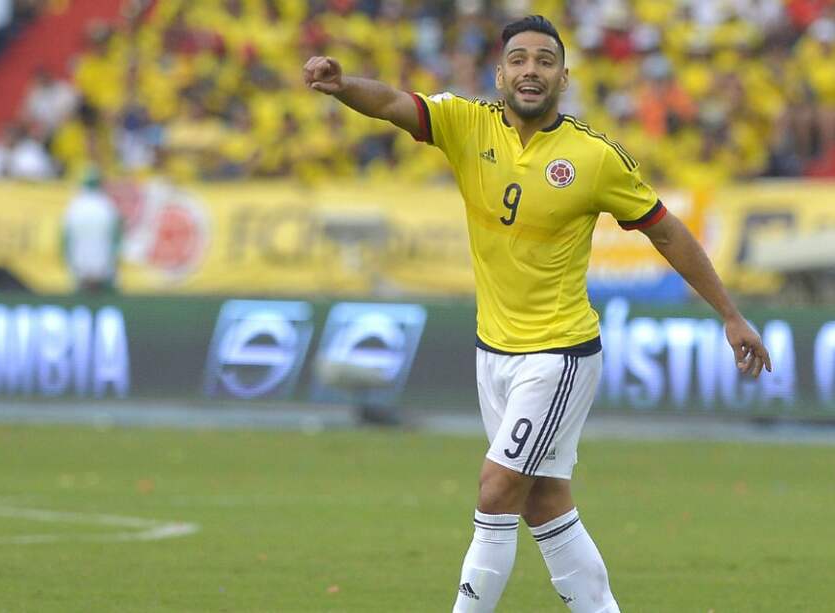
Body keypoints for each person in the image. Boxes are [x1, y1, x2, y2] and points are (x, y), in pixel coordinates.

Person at [304, 14, 773, 613]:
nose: (532, 70)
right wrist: (345, 87)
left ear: (564, 77)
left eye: (545, 61)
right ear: (499, 75)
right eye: (520, 60)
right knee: (544, 502)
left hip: (559, 354)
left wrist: (730, 314)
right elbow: (394, 102)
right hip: (492, 353)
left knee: (496, 489)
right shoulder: (465, 123)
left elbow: (667, 233)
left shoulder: (594, 157)